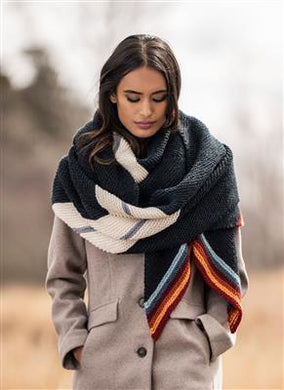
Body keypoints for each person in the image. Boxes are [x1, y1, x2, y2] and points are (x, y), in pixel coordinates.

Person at [46, 34, 249, 390]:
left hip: (187, 369)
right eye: (133, 98)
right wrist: (77, 343)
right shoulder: (80, 173)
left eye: (159, 98)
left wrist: (209, 336)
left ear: (173, 96)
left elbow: (231, 275)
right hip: (104, 369)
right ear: (112, 95)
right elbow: (64, 277)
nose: (146, 111)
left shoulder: (209, 168)